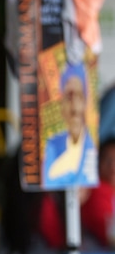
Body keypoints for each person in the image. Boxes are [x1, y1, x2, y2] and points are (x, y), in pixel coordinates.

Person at [42, 61, 97, 189]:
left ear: (85, 102)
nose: (74, 104)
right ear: (62, 105)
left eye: (78, 95)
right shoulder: (52, 146)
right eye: (68, 96)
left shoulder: (92, 146)